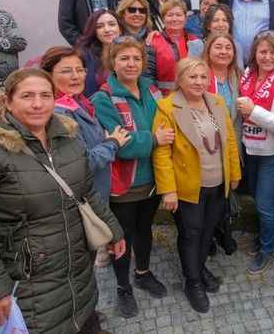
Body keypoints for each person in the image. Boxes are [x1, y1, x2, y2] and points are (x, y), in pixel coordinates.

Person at [0, 68, 125, 334]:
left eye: (45, 95)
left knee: (85, 320)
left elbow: (86, 192)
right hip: (28, 285)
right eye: (27, 96)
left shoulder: (67, 138)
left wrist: (113, 230)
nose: (38, 104)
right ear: (8, 101)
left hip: (77, 272)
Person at [152, 57, 242, 313]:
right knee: (191, 234)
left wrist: (234, 173)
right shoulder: (167, 107)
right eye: (192, 77)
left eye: (203, 77)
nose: (199, 82)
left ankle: (199, 268)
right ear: (179, 80)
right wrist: (168, 189)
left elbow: (230, 141)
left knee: (207, 231)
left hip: (217, 183)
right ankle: (192, 282)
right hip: (188, 187)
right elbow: (161, 153)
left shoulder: (217, 102)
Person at [91, 37, 171, 319]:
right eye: (124, 58)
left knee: (144, 230)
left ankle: (143, 272)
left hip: (152, 180)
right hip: (123, 185)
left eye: (136, 58)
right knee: (120, 237)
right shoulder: (103, 98)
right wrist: (155, 139)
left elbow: (167, 121)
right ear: (112, 62)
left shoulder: (151, 90)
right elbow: (120, 144)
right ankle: (123, 286)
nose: (131, 63)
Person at [40, 46, 131, 267]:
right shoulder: (59, 114)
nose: (75, 76)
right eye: (66, 71)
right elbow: (82, 164)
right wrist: (112, 143)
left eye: (80, 70)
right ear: (49, 75)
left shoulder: (79, 102)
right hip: (78, 203)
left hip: (92, 195)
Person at [237, 31, 274, 274]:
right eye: (263, 51)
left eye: (273, 52)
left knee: (263, 202)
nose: (267, 56)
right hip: (250, 148)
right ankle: (263, 235)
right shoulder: (247, 76)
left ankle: (267, 249)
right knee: (260, 198)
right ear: (255, 54)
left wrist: (253, 110)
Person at [203, 31, 243, 255]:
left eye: (228, 48)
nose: (223, 51)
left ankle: (223, 230)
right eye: (218, 47)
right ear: (208, 50)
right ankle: (208, 237)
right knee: (209, 194)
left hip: (232, 143)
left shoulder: (239, 75)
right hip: (206, 145)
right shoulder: (200, 75)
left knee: (227, 193)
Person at [148, 0, 203, 96]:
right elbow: (148, 77)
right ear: (163, 18)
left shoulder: (196, 41)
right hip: (163, 99)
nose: (174, 19)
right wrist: (157, 99)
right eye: (170, 15)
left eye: (178, 15)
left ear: (185, 18)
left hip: (191, 97)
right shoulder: (153, 41)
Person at [75, 9, 122, 97]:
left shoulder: (133, 51)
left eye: (112, 24)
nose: (107, 29)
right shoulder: (84, 56)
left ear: (120, 28)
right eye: (100, 26)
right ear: (94, 31)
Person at [116, 0, 159, 83]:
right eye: (132, 10)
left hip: (151, 90)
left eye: (142, 11)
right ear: (123, 13)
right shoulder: (115, 39)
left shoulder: (154, 37)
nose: (137, 14)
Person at [203, 3, 245, 71]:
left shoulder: (236, 46)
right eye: (215, 20)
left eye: (225, 20)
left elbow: (239, 74)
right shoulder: (198, 45)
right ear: (208, 25)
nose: (221, 25)